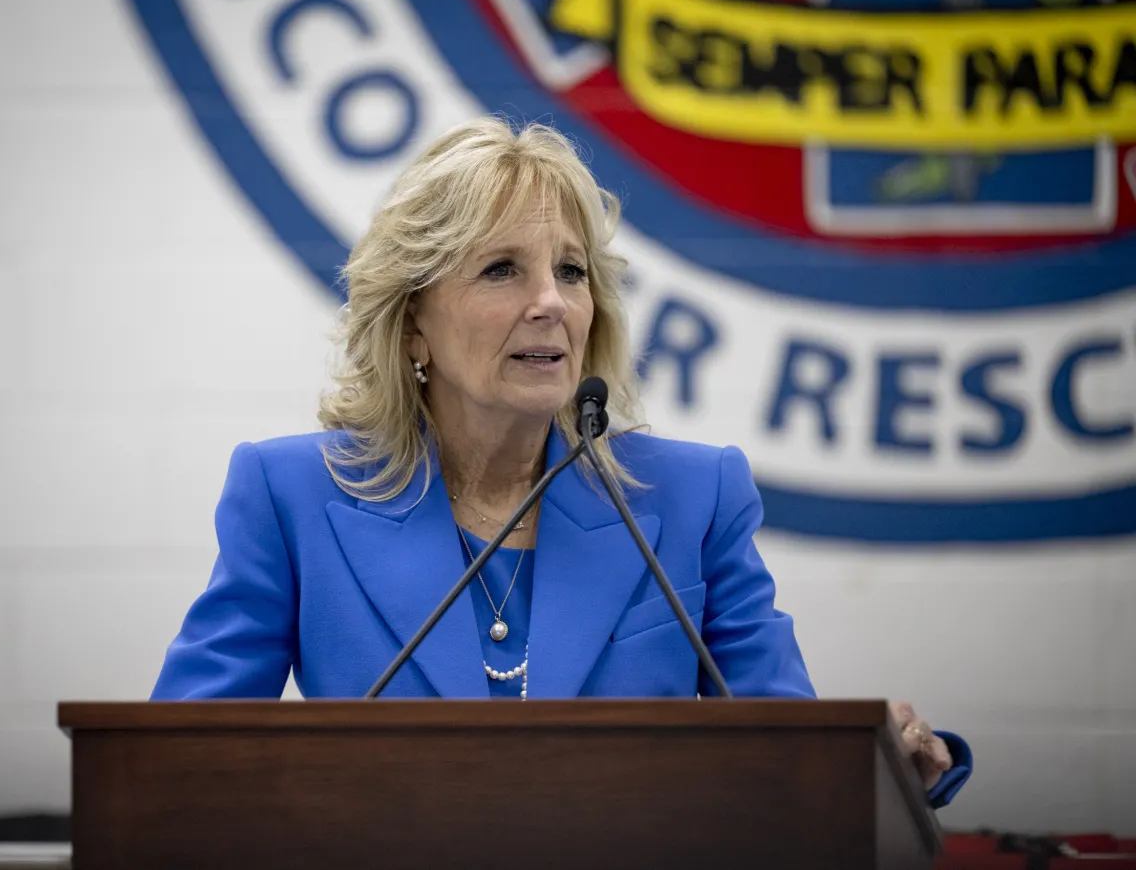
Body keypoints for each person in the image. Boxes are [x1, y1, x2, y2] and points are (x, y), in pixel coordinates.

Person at [151, 116, 971, 807]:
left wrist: (883, 768)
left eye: (570, 272)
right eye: (502, 269)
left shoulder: (693, 497)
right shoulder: (291, 494)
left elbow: (788, 757)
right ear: (411, 326)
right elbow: (174, 767)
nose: (550, 302)